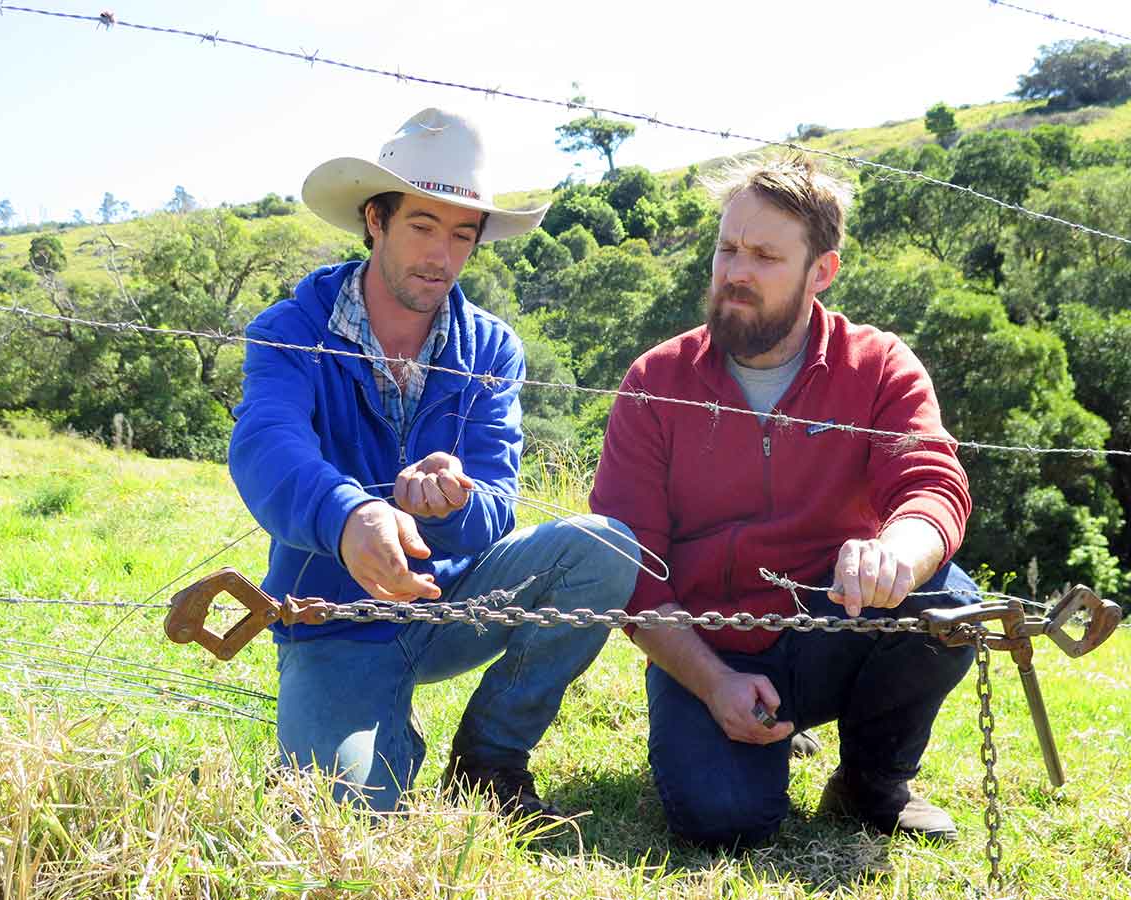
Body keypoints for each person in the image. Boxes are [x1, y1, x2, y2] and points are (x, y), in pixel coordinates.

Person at [229, 108, 639, 817]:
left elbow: (496, 506)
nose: (440, 256)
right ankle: (365, 730)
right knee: (341, 816)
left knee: (603, 548)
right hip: (333, 619)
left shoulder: (491, 348)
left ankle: (490, 758)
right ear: (375, 221)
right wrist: (349, 515)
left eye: (461, 235)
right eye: (422, 226)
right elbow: (266, 445)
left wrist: (451, 503)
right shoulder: (289, 331)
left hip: (454, 606)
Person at [589, 154, 977, 848]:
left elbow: (932, 484)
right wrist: (711, 683)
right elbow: (635, 570)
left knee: (947, 603)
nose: (736, 272)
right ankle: (743, 739)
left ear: (820, 271)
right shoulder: (656, 380)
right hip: (708, 645)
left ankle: (870, 781)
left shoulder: (879, 364)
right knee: (725, 825)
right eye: (727, 249)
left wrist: (897, 550)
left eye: (766, 255)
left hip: (834, 625)